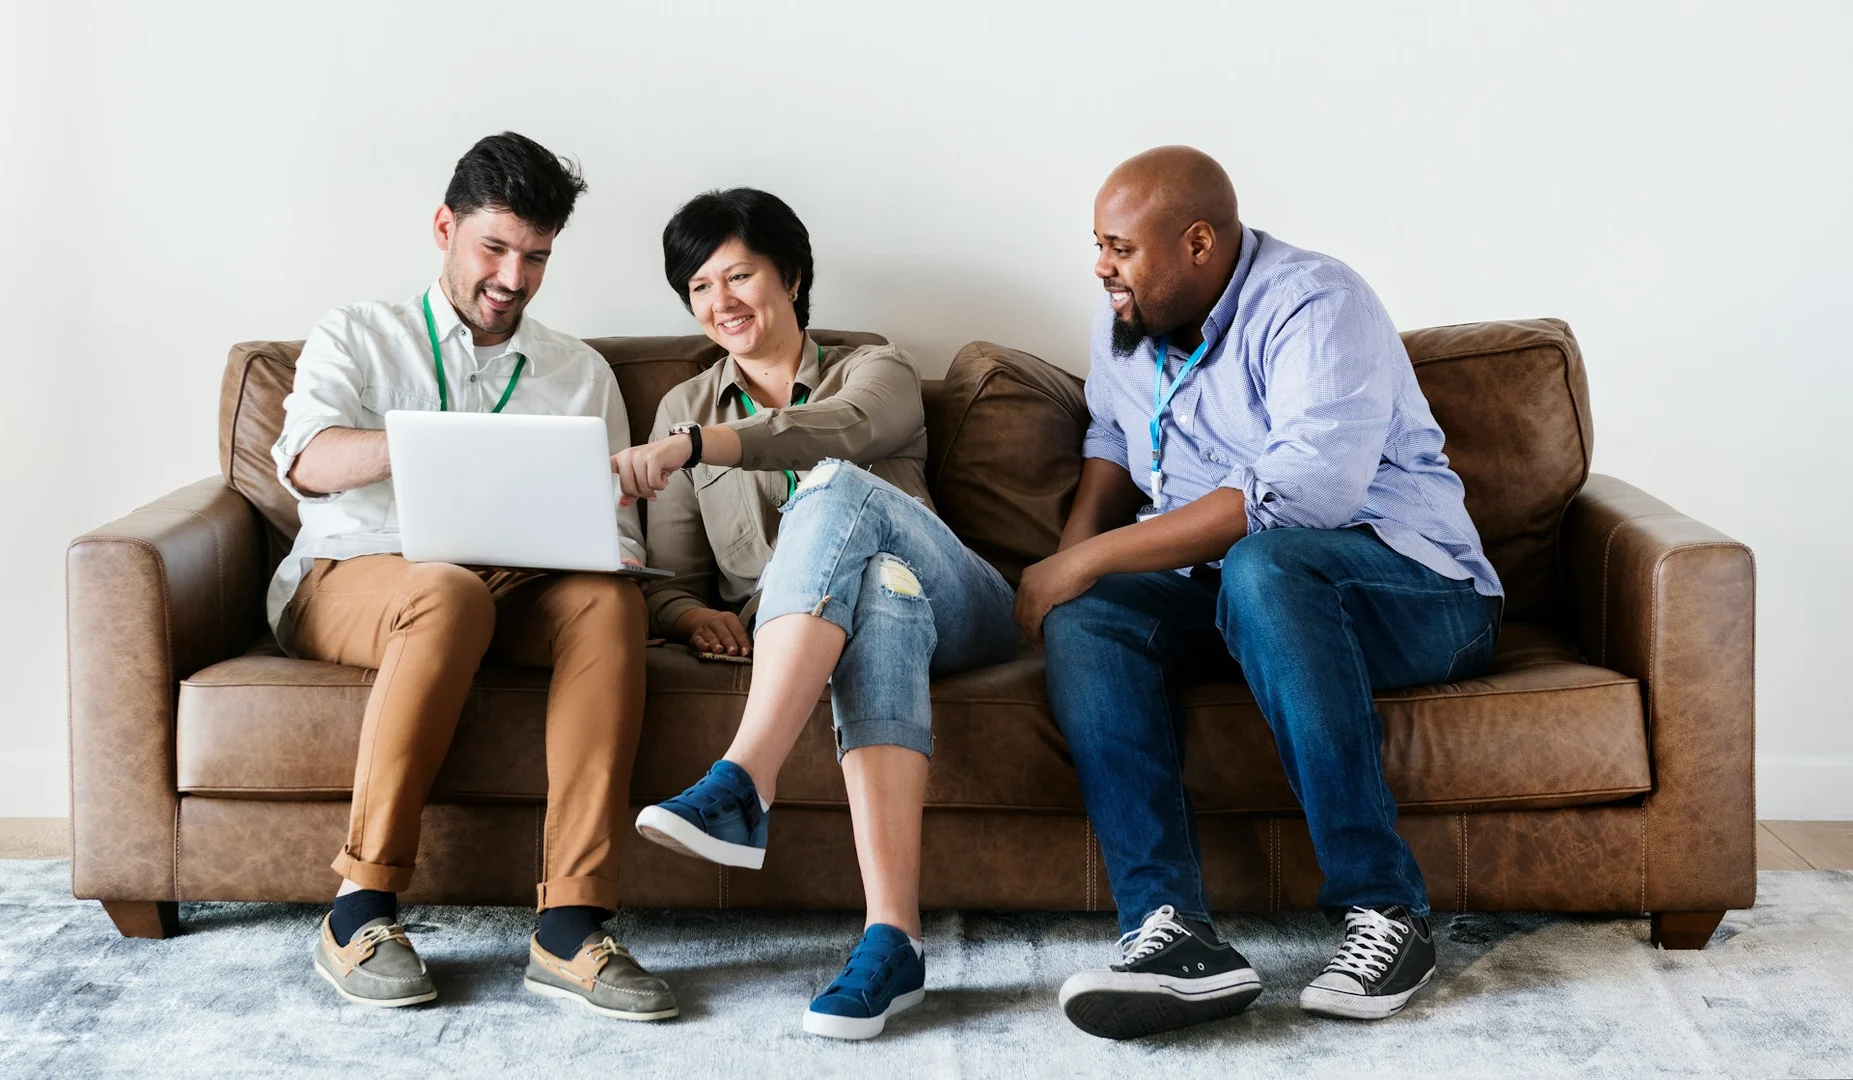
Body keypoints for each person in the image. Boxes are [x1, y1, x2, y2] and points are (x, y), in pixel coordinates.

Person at [1017, 146, 1504, 1040]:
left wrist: (1090, 558)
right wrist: (1069, 568)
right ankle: (1170, 934)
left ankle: (1387, 913)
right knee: (1093, 618)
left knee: (1265, 563)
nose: (1101, 267)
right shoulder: (1125, 318)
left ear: (1197, 243)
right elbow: (1114, 441)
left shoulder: (1315, 302)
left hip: (1418, 589)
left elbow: (1297, 497)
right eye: (1097, 244)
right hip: (1235, 593)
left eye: (1119, 248)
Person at [273, 132, 675, 1020]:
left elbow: (617, 532)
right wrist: (426, 449)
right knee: (444, 591)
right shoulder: (359, 333)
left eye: (535, 257)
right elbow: (304, 460)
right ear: (444, 227)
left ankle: (570, 925)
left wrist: (604, 552)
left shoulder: (579, 372)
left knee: (608, 602)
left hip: (518, 582)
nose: (513, 277)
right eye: (494, 248)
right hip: (359, 571)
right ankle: (359, 910)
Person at [613, 188, 1019, 1040]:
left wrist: (694, 447)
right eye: (697, 288)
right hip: (871, 618)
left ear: (791, 277)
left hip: (964, 602)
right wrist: (690, 619)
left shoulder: (878, 368)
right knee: (881, 601)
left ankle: (742, 779)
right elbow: (674, 578)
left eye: (739, 275)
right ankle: (891, 941)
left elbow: (826, 432)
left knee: (836, 485)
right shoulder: (681, 405)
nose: (718, 302)